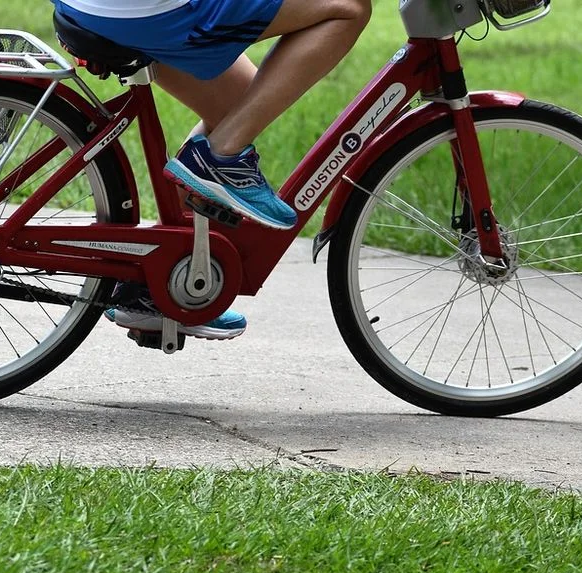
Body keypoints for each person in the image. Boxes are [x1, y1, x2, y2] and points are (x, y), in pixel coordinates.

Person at [53, 0, 372, 340]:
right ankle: (220, 156)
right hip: (143, 10)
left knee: (244, 106)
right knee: (349, 7)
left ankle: (154, 283)